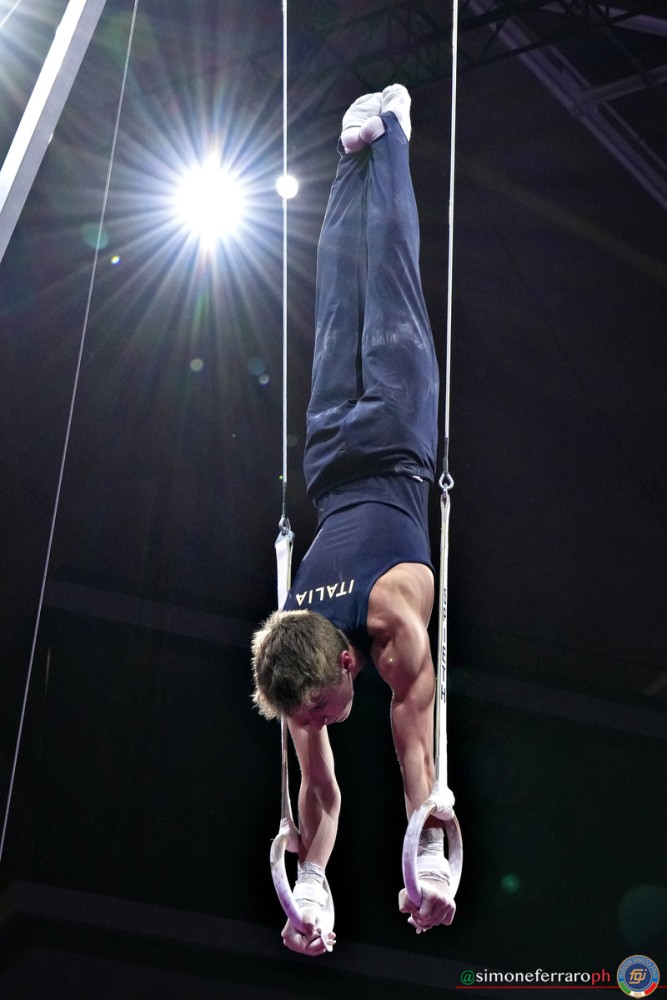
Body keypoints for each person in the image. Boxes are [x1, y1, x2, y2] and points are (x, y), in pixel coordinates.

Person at [251, 84, 455, 956]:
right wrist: (308, 887)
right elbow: (321, 799)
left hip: (392, 434)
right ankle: (351, 154)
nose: (328, 719)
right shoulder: (294, 660)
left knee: (385, 277)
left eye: (323, 708)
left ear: (343, 660)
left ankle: (390, 132)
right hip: (333, 457)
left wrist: (431, 859)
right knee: (337, 300)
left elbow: (418, 767)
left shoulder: (391, 628)